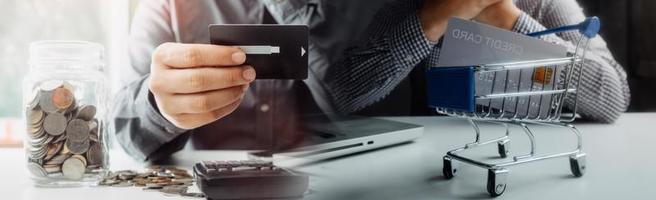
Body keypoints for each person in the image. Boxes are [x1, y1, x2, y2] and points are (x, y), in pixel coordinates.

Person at [113, 0, 629, 162]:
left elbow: (610, 95)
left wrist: (508, 21)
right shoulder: (179, 9)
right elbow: (117, 128)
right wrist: (160, 105)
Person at [323, 0, 630, 122]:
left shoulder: (546, 3)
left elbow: (613, 98)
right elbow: (339, 93)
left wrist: (507, 19)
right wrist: (436, 18)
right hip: (437, 169)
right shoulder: (412, 5)